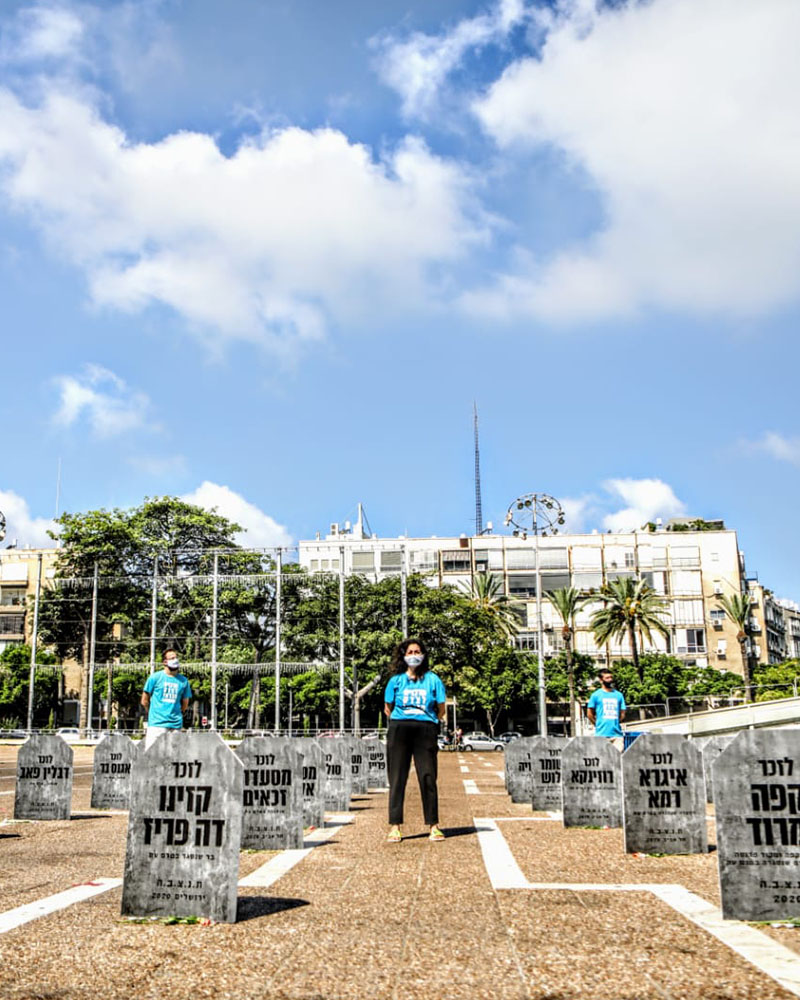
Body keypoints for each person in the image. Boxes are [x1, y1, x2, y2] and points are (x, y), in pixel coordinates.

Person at [384, 637, 446, 843]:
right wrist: (401, 719)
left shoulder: (433, 680)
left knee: (428, 776)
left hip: (425, 729)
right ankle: (395, 826)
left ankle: (434, 826)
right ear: (403, 656)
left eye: (417, 652)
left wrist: (429, 721)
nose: (413, 656)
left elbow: (441, 708)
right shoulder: (395, 680)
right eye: (409, 652)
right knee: (397, 778)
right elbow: (388, 708)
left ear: (423, 655)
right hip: (399, 729)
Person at [141, 649, 192, 749]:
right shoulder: (155, 678)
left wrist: (177, 714)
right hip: (156, 725)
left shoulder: (183, 681)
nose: (175, 660)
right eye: (172, 658)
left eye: (176, 657)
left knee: (173, 760)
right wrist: (152, 712)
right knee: (153, 757)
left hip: (175, 726)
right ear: (165, 662)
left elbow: (185, 704)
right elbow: (144, 700)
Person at [586, 669, 626, 738]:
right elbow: (589, 713)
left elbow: (622, 714)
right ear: (601, 680)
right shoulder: (595, 695)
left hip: (617, 735)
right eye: (607, 678)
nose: (610, 680)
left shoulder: (619, 695)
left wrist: (615, 722)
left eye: (611, 677)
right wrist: (597, 724)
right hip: (601, 735)